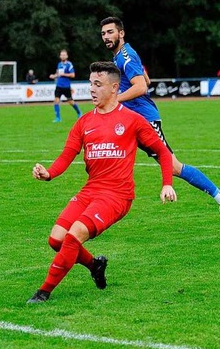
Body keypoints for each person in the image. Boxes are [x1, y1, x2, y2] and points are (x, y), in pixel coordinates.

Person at [27, 62, 177, 303]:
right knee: (56, 239)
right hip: (91, 190)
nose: (92, 89)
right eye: (90, 84)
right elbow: (67, 155)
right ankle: (95, 265)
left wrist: (167, 183)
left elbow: (162, 151)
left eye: (98, 84)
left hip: (117, 195)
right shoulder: (84, 122)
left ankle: (43, 292)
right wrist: (49, 173)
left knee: (74, 236)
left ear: (114, 88)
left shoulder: (133, 120)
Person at [100, 16, 220, 226]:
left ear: (121, 33)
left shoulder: (125, 56)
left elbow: (142, 87)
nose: (106, 37)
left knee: (173, 167)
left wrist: (114, 99)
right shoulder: (121, 57)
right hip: (132, 120)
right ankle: (102, 202)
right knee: (109, 151)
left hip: (145, 121)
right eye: (103, 34)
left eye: (110, 32)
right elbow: (145, 80)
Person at [49, 49, 82, 122]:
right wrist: (54, 76)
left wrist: (64, 74)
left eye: (64, 55)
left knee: (70, 101)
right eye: (61, 55)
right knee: (56, 101)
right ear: (60, 56)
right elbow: (58, 74)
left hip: (66, 86)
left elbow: (73, 75)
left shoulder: (69, 64)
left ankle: (79, 112)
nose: (63, 56)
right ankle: (58, 118)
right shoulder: (59, 64)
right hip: (59, 86)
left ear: (67, 56)